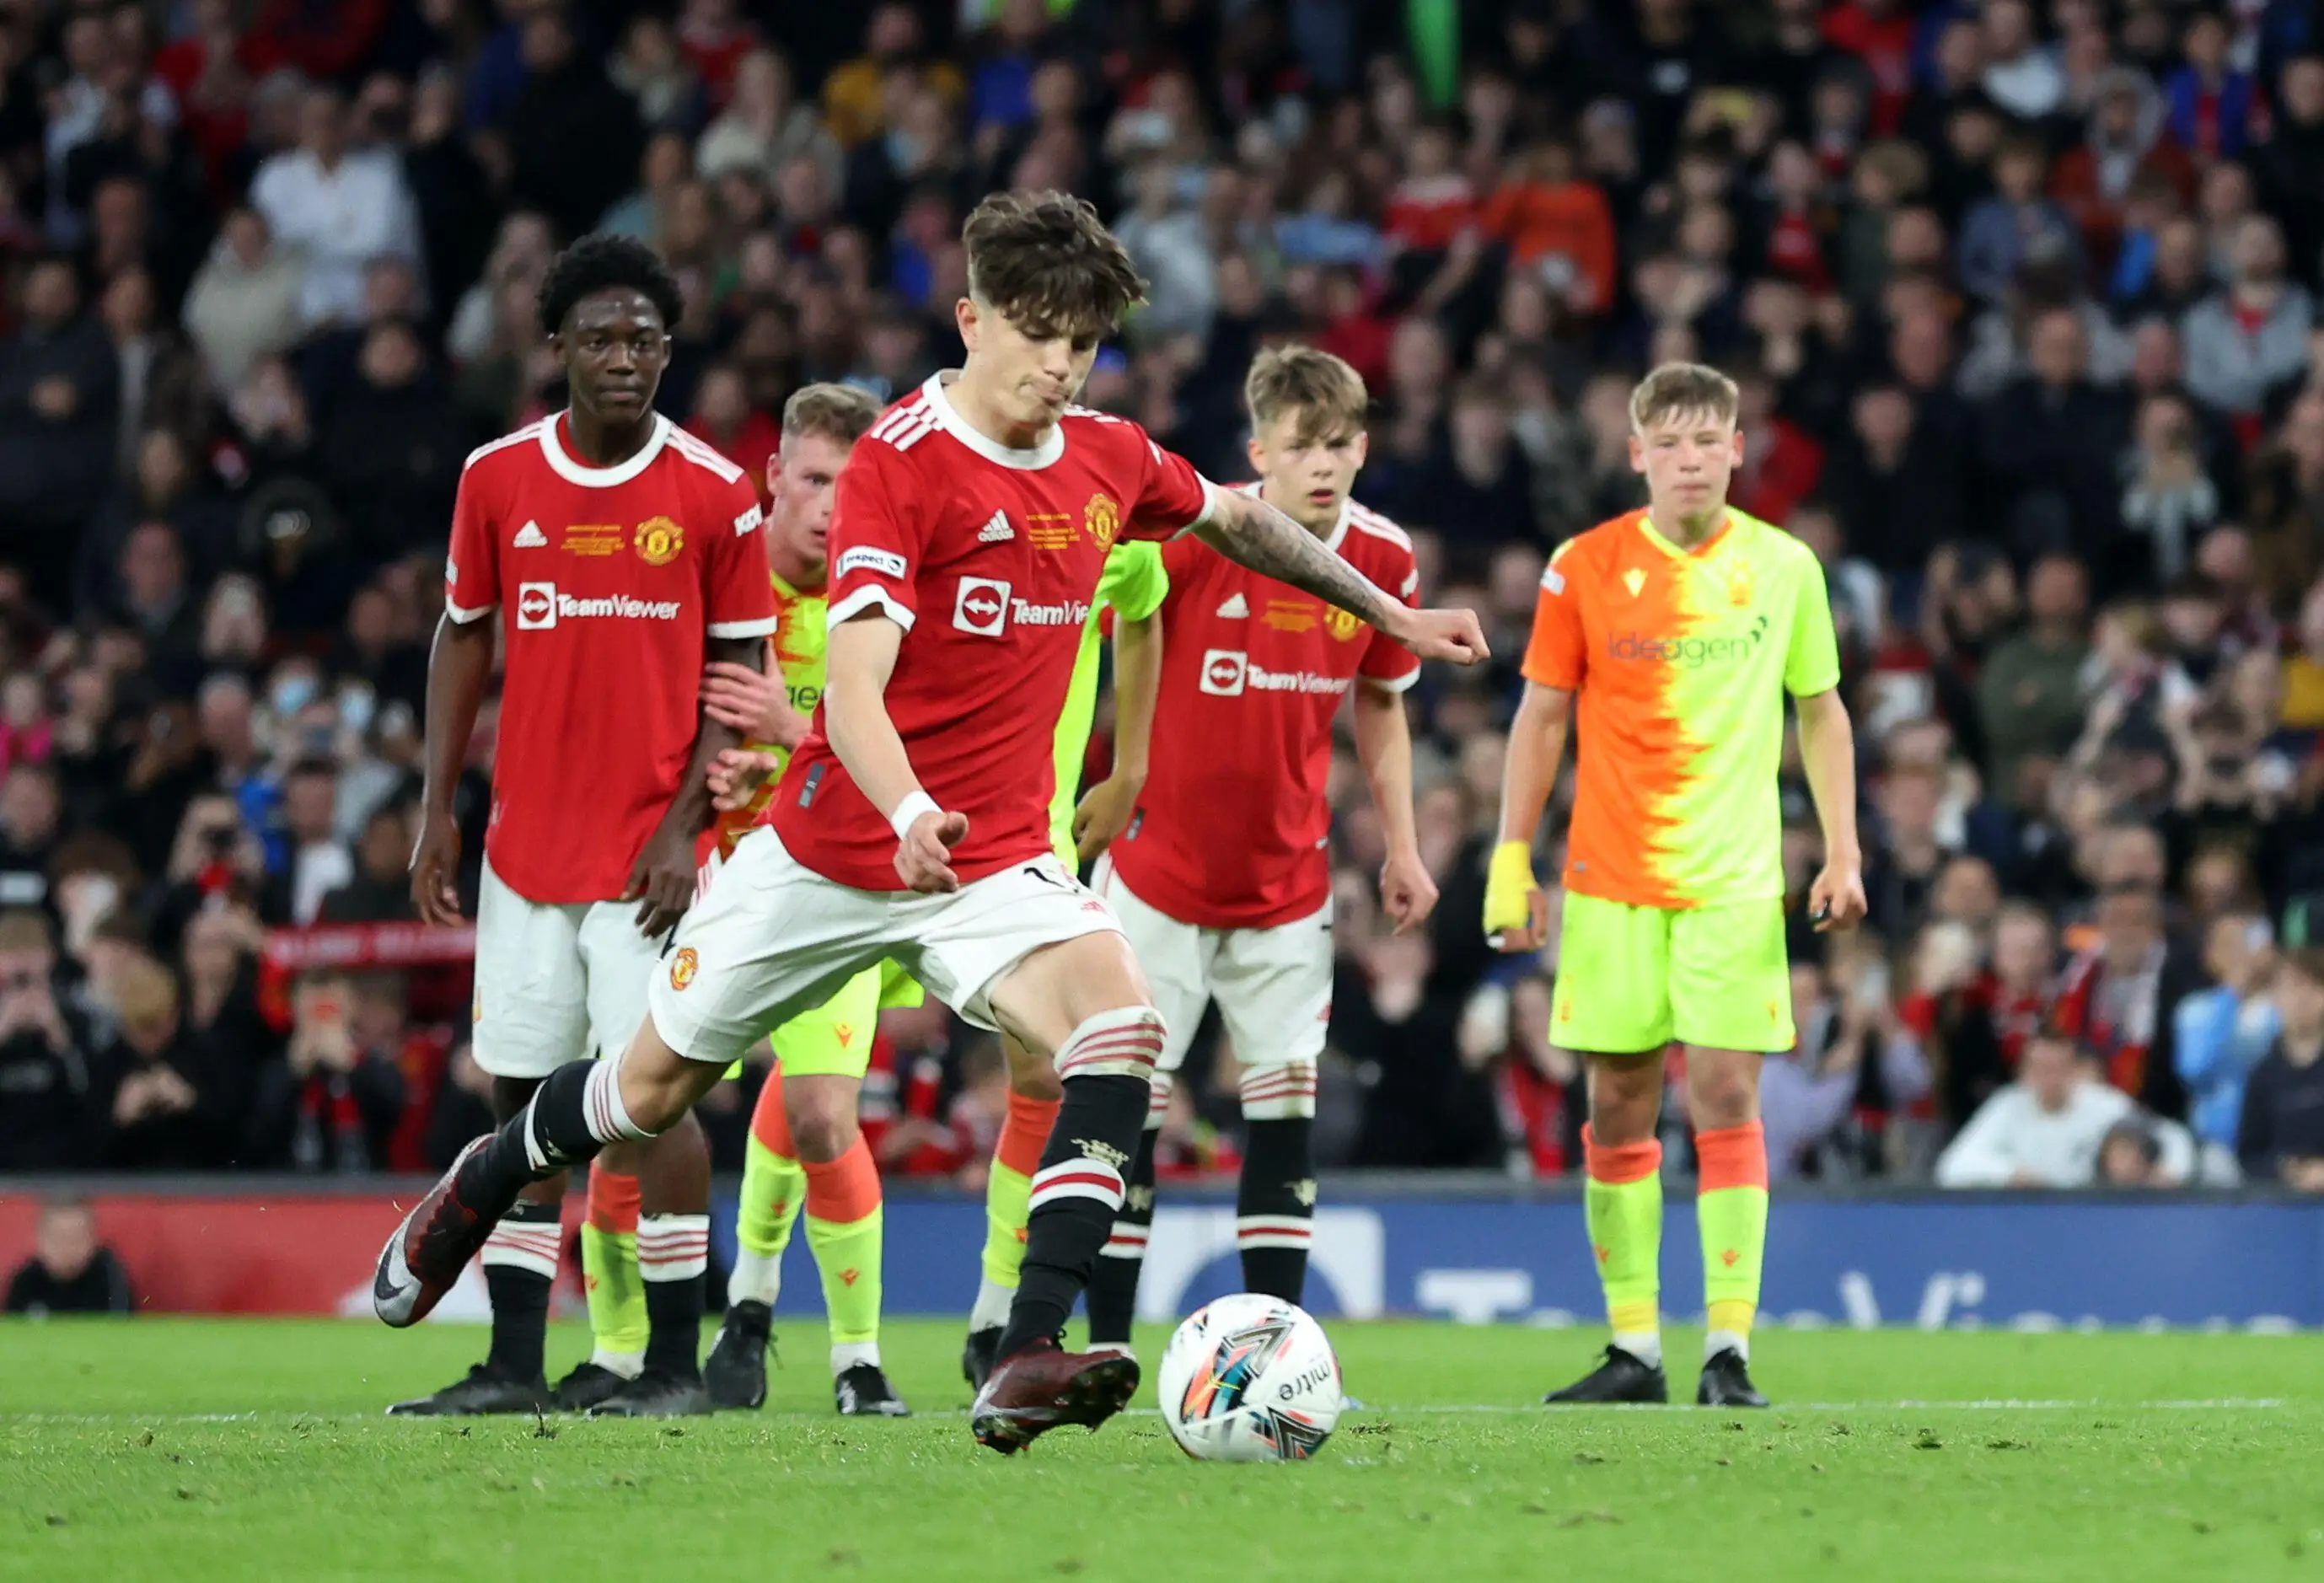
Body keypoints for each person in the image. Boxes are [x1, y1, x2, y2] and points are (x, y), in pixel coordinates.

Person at [368, 190, 1487, 1457]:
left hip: (994, 860)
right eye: (1041, 335)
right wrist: (903, 806)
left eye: (1086, 342)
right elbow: (849, 687)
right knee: (644, 1089)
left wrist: (1391, 620)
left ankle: (1024, 1346)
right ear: (971, 318)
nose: (1064, 365)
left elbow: (1243, 520)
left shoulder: (1109, 455)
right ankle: (481, 1173)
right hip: (833, 851)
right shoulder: (902, 462)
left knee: (1123, 1032)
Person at [388, 235, 778, 1419]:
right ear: (555, 346)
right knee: (518, 1100)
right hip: (521, 852)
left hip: (650, 864)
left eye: (646, 341)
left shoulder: (715, 491)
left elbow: (740, 678)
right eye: (603, 339)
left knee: (655, 1104)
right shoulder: (497, 476)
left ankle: (671, 1363)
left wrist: (682, 827)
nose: (626, 360)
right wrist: (436, 811)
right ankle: (512, 1361)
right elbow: (462, 635)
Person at [1485, 361, 1867, 1409]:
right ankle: (1636, 1347)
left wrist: (1842, 848)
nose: (1692, 459)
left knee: (1728, 1094)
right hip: (1610, 882)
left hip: (1736, 884)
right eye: (1672, 441)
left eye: (1711, 441)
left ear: (1738, 450)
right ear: (1637, 452)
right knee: (1617, 1101)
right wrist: (1512, 858)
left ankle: (1729, 1349)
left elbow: (1821, 711)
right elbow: (1543, 716)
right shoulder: (1585, 566)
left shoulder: (1786, 568)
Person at [1073, 346, 1436, 1357]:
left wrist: (1402, 846)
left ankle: (1279, 1357)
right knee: (1128, 1114)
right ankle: (1102, 1351)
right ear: (1258, 452)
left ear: (1363, 448)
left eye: (1338, 446)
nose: (1321, 465)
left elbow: (1381, 703)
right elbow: (1128, 636)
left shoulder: (1384, 558)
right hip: (1157, 877)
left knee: (1282, 1115)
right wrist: (1122, 773)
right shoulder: (1199, 534)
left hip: (1287, 887)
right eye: (1299, 447)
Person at [590, 380, 918, 1418]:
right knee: (635, 1112)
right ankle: (617, 1351)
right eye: (815, 479)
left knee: (824, 1114)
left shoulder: (887, 601)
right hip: (698, 882)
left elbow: (907, 751)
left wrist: (788, 728)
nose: (831, 504)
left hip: (826, 880)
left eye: (852, 484)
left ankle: (857, 1362)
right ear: (775, 474)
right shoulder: (710, 576)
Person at [1935, 1031, 2139, 1187]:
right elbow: (1953, 1166)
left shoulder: (2106, 1105)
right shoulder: (2007, 1106)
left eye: (2057, 1067)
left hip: (2091, 1216)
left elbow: (2163, 1139)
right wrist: (2010, 1174)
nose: (2049, 1078)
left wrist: (2151, 1169)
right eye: (2040, 1068)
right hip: (2029, 1219)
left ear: (2072, 1069)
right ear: (2025, 1071)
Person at [4, 1196, 133, 1316]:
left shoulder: (110, 1279)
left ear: (94, 1239)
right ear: (39, 1239)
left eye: (77, 1239)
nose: (67, 1248)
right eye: (58, 1238)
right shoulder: (25, 1281)